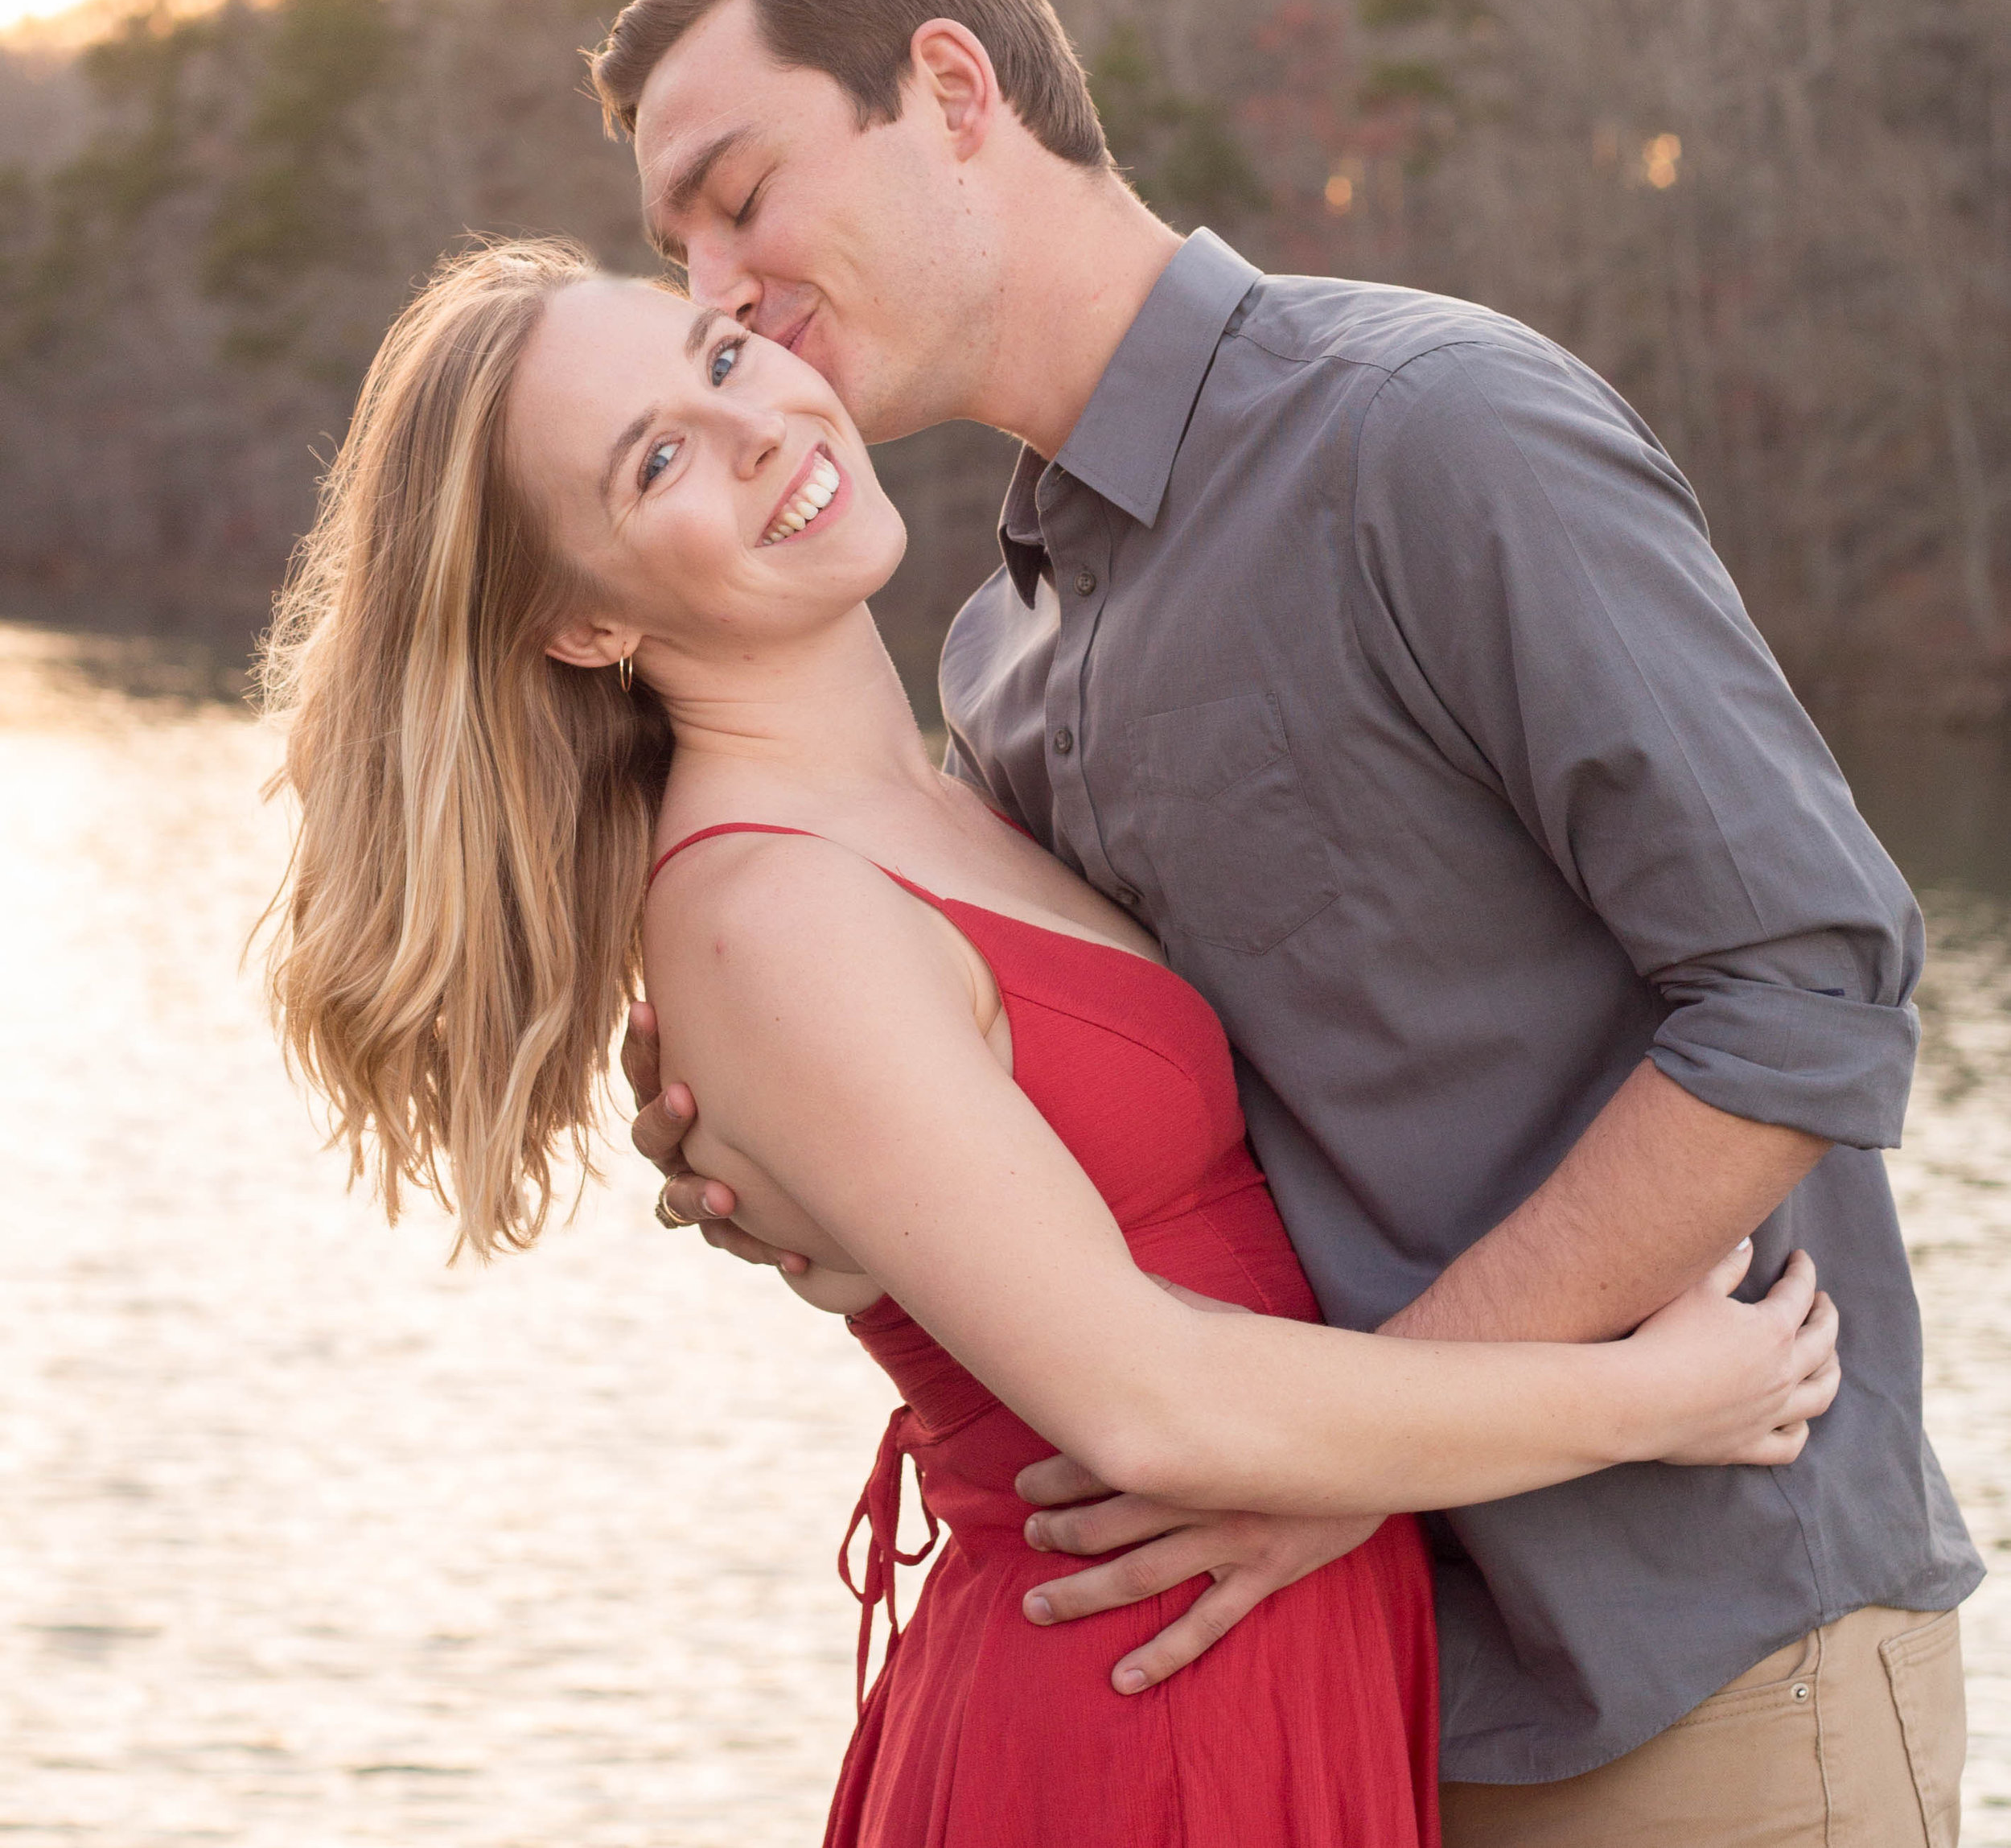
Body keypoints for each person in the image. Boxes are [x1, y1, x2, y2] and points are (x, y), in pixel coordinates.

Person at [594, 0, 1980, 1847]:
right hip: (1320, 1699)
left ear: (955, 95)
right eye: (679, 260)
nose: (722, 294)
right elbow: (1097, 1148)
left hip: (1695, 1668)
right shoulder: (999, 656)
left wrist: (1331, 1464)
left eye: (739, 201)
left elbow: (1811, 990)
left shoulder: (1426, 434)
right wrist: (791, 1151)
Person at [261, 238, 1840, 1848]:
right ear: (580, 626)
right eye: (654, 457)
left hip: (1260, 1662)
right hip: (1132, 1714)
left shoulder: (952, 789)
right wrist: (1654, 1402)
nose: (750, 428)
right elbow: (1148, 1406)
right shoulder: (765, 916)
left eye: (719, 359)